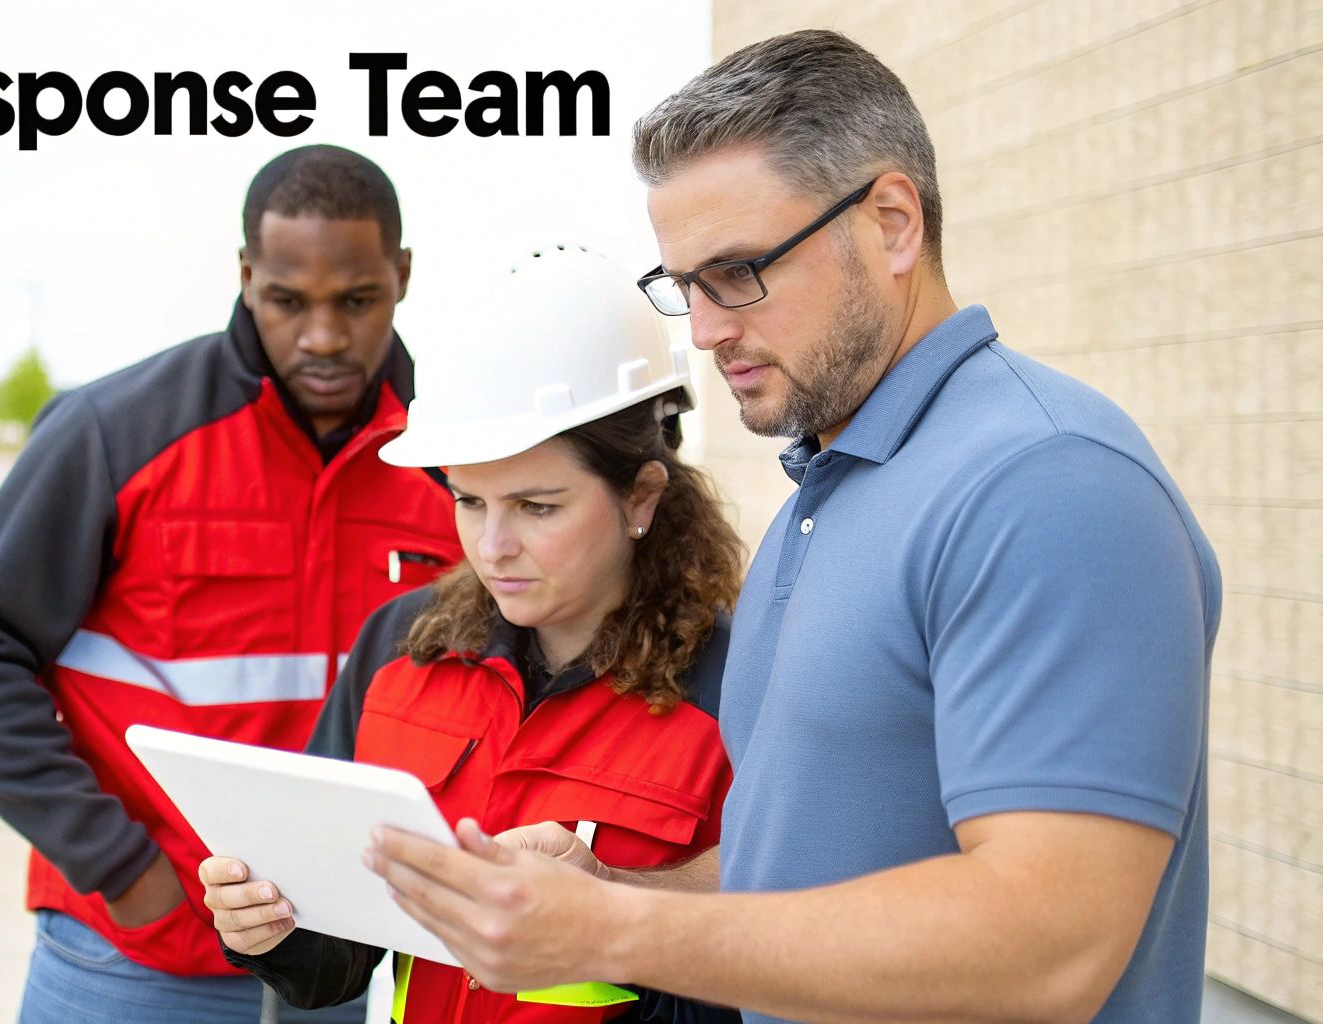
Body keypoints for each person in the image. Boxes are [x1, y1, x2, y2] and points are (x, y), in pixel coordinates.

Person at [360, 30, 1221, 1024]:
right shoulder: (831, 491)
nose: (705, 328)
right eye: (681, 285)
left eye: (736, 272)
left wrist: (610, 934)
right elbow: (805, 865)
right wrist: (611, 890)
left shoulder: (1047, 485)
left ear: (891, 223)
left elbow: (1051, 940)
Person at [0, 145, 462, 1024]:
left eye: (357, 301)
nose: (323, 336)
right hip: (135, 958)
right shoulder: (114, 432)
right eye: (288, 301)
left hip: (346, 963)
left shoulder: (458, 457)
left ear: (400, 275)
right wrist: (121, 870)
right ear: (247, 277)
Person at [201, 245, 750, 1023]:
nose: (492, 547)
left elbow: (767, 970)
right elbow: (335, 961)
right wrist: (268, 929)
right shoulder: (398, 647)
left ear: (641, 496)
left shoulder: (738, 687)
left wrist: (615, 912)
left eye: (536, 507)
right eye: (468, 501)